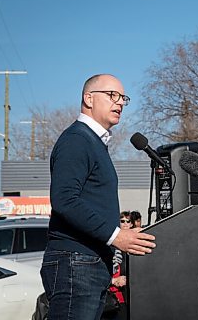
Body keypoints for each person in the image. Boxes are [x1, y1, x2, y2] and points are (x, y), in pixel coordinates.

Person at [40, 74, 156, 320]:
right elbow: (64, 200)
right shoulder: (76, 140)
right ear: (88, 99)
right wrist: (116, 236)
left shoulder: (93, 142)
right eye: (112, 95)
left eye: (123, 98)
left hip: (89, 262)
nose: (120, 102)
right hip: (75, 262)